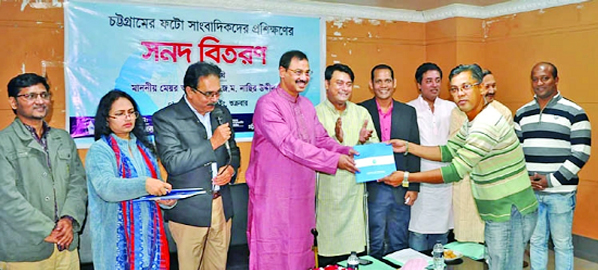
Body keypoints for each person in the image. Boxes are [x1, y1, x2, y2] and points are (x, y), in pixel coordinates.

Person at [381, 64, 538, 270]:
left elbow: (455, 170)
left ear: (481, 88)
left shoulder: (486, 124)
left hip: (511, 209)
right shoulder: (472, 120)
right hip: (498, 209)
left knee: (504, 266)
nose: (459, 94)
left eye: (466, 87)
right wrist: (409, 147)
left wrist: (406, 178)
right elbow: (449, 150)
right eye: (454, 89)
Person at [246, 50, 358, 270]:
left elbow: (322, 139)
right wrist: (335, 160)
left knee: (299, 252)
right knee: (272, 251)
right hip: (273, 197)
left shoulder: (306, 106)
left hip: (301, 197)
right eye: (298, 72)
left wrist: (347, 151)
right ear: (282, 72)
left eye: (307, 73)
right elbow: (289, 144)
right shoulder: (267, 104)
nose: (303, 78)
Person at [152, 61, 240, 270]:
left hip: (221, 205)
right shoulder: (166, 118)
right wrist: (213, 143)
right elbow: (173, 163)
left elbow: (233, 151)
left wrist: (231, 169)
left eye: (218, 93)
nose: (215, 99)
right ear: (189, 91)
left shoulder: (221, 113)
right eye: (208, 94)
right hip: (190, 211)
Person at [0, 73, 87, 269]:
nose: (40, 101)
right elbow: (6, 198)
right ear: (13, 102)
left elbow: (77, 183)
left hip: (66, 246)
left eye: (44, 95)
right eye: (30, 96)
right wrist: (48, 229)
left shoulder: (63, 139)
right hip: (25, 251)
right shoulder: (4, 143)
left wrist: (69, 219)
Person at [85, 90, 174, 269]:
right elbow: (107, 188)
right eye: (119, 114)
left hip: (149, 237)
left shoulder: (145, 148)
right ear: (106, 119)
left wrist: (165, 199)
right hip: (116, 242)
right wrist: (145, 184)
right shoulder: (100, 150)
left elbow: (154, 185)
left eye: (131, 112)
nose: (127, 118)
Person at [515, 62, 591, 270]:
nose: (539, 83)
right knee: (536, 242)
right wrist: (526, 179)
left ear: (556, 80)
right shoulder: (522, 113)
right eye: (535, 79)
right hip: (531, 192)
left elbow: (581, 153)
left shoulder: (575, 112)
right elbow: (515, 153)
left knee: (562, 245)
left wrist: (551, 180)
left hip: (561, 193)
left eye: (545, 78)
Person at [314, 63, 378, 266]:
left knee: (354, 258)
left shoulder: (362, 114)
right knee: (328, 260)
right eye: (339, 83)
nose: (344, 89)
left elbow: (375, 156)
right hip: (325, 200)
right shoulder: (314, 114)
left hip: (354, 199)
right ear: (326, 84)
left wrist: (363, 143)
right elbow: (309, 154)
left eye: (349, 84)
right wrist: (334, 139)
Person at [359, 64, 420, 259]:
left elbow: (414, 148)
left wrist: (414, 185)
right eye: (378, 81)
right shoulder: (361, 110)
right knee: (374, 240)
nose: (383, 85)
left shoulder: (408, 111)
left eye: (387, 80)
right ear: (371, 84)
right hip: (373, 186)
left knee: (399, 240)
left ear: (394, 83)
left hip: (400, 184)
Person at [406, 63, 456, 251]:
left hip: (445, 180)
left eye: (437, 81)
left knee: (442, 234)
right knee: (418, 233)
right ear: (419, 84)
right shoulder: (409, 109)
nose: (434, 85)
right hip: (420, 180)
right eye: (428, 81)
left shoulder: (452, 108)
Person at [450, 68, 499, 243]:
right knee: (467, 240)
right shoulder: (458, 112)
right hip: (466, 183)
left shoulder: (502, 113)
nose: (491, 90)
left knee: (493, 243)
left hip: (492, 185)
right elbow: (453, 148)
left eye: (494, 86)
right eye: (487, 86)